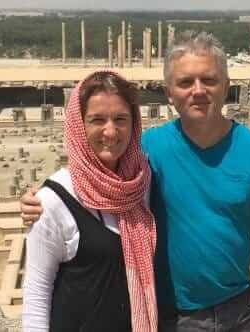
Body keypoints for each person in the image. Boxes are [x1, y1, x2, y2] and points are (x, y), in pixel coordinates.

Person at [21, 31, 250, 332]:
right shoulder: (146, 151)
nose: (198, 91)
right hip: (172, 315)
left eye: (209, 80)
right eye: (185, 82)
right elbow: (93, 175)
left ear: (227, 85)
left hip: (238, 311)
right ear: (169, 93)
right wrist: (40, 199)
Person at [22, 71, 157, 332]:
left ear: (134, 124)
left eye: (121, 119)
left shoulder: (142, 184)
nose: (111, 131)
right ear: (78, 125)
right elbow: (37, 295)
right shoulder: (52, 201)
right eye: (97, 120)